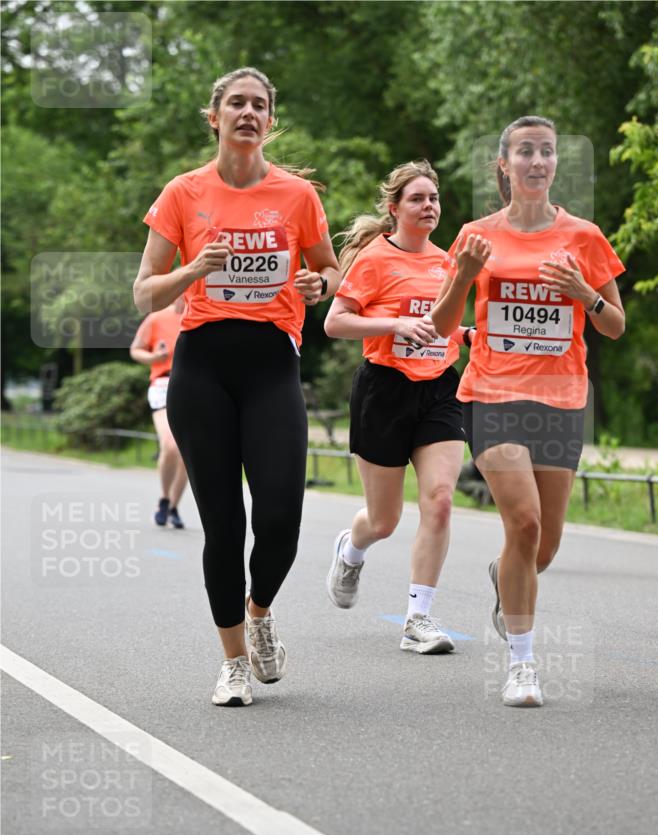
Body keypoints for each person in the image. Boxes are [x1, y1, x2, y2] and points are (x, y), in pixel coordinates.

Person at [133, 67, 340, 707]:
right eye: (236, 104)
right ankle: (232, 664)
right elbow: (144, 292)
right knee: (223, 525)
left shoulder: (297, 196)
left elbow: (331, 271)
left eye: (259, 105)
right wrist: (195, 267)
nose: (247, 113)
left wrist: (319, 284)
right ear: (214, 116)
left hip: (271, 365)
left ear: (270, 121)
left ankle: (259, 612)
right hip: (202, 367)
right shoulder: (183, 192)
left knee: (280, 517)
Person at [431, 115, 625, 707]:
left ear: (555, 163)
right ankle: (522, 664)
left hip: (562, 400)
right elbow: (442, 326)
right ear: (504, 164)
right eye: (525, 151)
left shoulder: (584, 237)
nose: (537, 161)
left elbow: (614, 325)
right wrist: (464, 275)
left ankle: (505, 575)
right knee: (525, 524)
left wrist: (584, 294)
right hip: (493, 395)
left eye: (546, 151)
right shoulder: (475, 235)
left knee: (543, 548)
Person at [324, 161, 471, 654]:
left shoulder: (448, 262)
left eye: (434, 198)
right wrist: (394, 325)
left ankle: (417, 619)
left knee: (440, 500)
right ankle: (352, 548)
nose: (429, 206)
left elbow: (443, 326)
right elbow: (335, 322)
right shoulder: (374, 259)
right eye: (417, 199)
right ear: (394, 208)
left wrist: (467, 335)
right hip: (384, 390)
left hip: (439, 389)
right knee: (383, 520)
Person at [130, 296, 188, 528]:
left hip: (194, 385)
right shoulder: (157, 318)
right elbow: (136, 349)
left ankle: (173, 506)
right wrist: (154, 357)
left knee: (188, 453)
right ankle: (164, 499)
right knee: (170, 445)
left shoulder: (203, 317)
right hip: (163, 384)